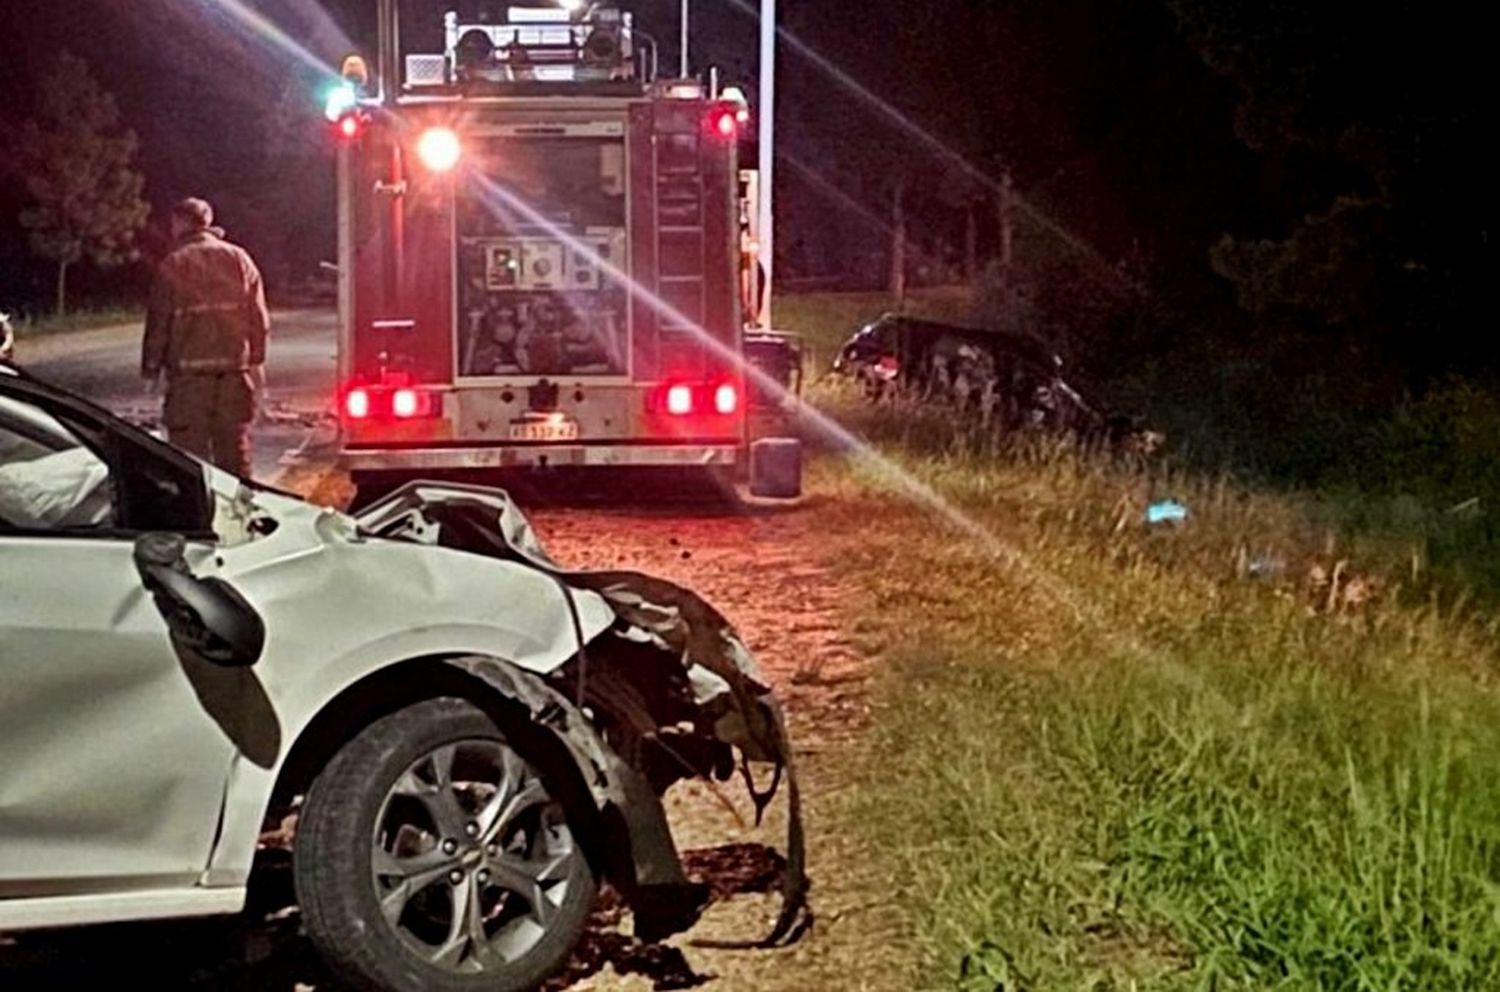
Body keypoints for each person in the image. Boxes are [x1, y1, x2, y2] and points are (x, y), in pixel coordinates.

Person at [141, 198, 269, 477]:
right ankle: (240, 514)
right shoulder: (239, 259)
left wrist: (151, 371)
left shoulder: (173, 264)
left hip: (189, 384)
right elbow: (258, 319)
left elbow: (159, 323)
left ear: (180, 223)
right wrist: (256, 363)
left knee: (189, 461)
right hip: (234, 378)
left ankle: (197, 517)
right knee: (235, 457)